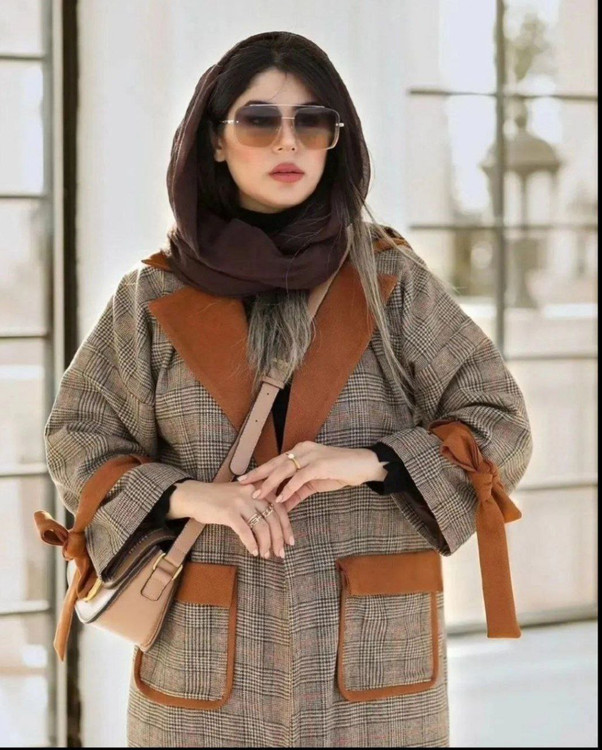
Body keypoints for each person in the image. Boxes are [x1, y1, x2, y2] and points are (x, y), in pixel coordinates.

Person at [42, 30, 533, 748]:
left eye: (312, 121)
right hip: (202, 669)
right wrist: (188, 495)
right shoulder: (152, 296)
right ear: (215, 140)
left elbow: (500, 422)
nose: (288, 142)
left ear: (336, 140)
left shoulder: (391, 280)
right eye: (259, 120)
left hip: (375, 669)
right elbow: (78, 440)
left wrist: (371, 462)